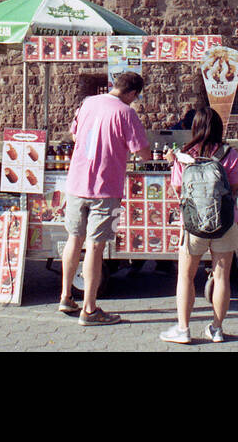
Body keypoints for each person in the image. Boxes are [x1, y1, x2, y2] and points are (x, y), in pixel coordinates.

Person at [59, 71, 152, 326]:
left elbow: (75, 134)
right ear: (132, 94)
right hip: (105, 189)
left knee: (73, 239)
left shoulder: (89, 102)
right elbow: (143, 153)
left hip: (76, 182)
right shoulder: (126, 113)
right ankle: (89, 309)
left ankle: (66, 296)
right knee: (96, 247)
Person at [161, 107, 238, 345]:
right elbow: (235, 187)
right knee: (221, 277)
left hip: (193, 224)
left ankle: (183, 329)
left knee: (186, 276)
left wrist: (171, 164)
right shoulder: (230, 154)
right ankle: (217, 329)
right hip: (225, 223)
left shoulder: (184, 155)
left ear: (194, 128)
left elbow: (177, 190)